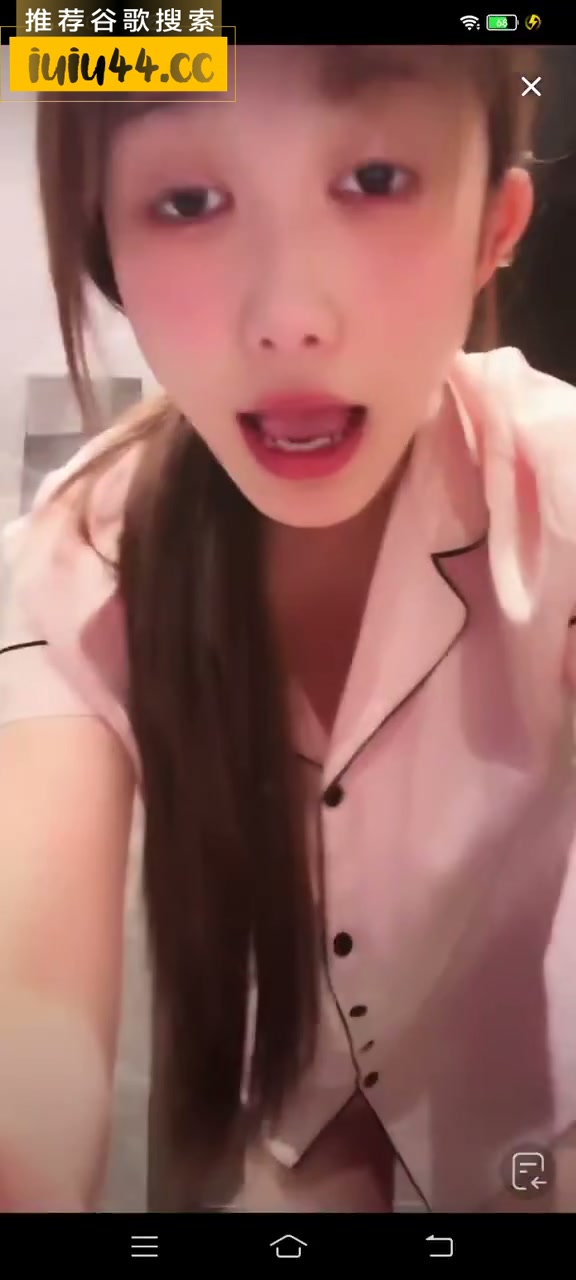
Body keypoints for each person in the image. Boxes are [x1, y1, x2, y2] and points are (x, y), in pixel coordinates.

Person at [1, 43, 576, 1216]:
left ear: (494, 228)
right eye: (187, 201)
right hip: (281, 1158)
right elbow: (28, 1029)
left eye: (375, 180)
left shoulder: (556, 494)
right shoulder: (77, 556)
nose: (289, 318)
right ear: (107, 241)